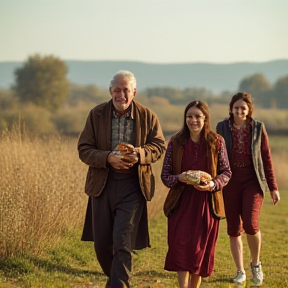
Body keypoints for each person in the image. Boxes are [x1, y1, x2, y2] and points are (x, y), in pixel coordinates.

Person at [78, 70, 166, 288]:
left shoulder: (148, 116)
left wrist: (139, 154)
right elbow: (84, 149)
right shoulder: (96, 114)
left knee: (123, 242)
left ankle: (118, 284)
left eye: (126, 90)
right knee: (102, 245)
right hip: (102, 185)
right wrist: (108, 158)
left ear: (134, 92)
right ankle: (117, 277)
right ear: (110, 91)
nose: (121, 95)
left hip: (133, 186)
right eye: (116, 90)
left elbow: (158, 146)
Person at [161, 100, 232, 288]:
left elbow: (226, 172)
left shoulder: (217, 141)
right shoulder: (175, 142)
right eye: (189, 116)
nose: (193, 120)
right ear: (185, 119)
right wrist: (180, 178)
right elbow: (165, 176)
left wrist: (212, 184)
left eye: (198, 116)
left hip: (206, 206)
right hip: (181, 204)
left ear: (205, 118)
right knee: (180, 248)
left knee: (199, 251)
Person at [216, 92, 280, 286]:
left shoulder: (258, 128)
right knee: (234, 229)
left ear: (249, 109)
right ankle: (240, 271)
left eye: (243, 108)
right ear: (231, 108)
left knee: (251, 225)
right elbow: (214, 154)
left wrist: (273, 187)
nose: (240, 111)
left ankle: (255, 265)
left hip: (253, 181)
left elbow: (266, 158)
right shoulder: (221, 127)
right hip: (230, 182)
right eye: (236, 107)